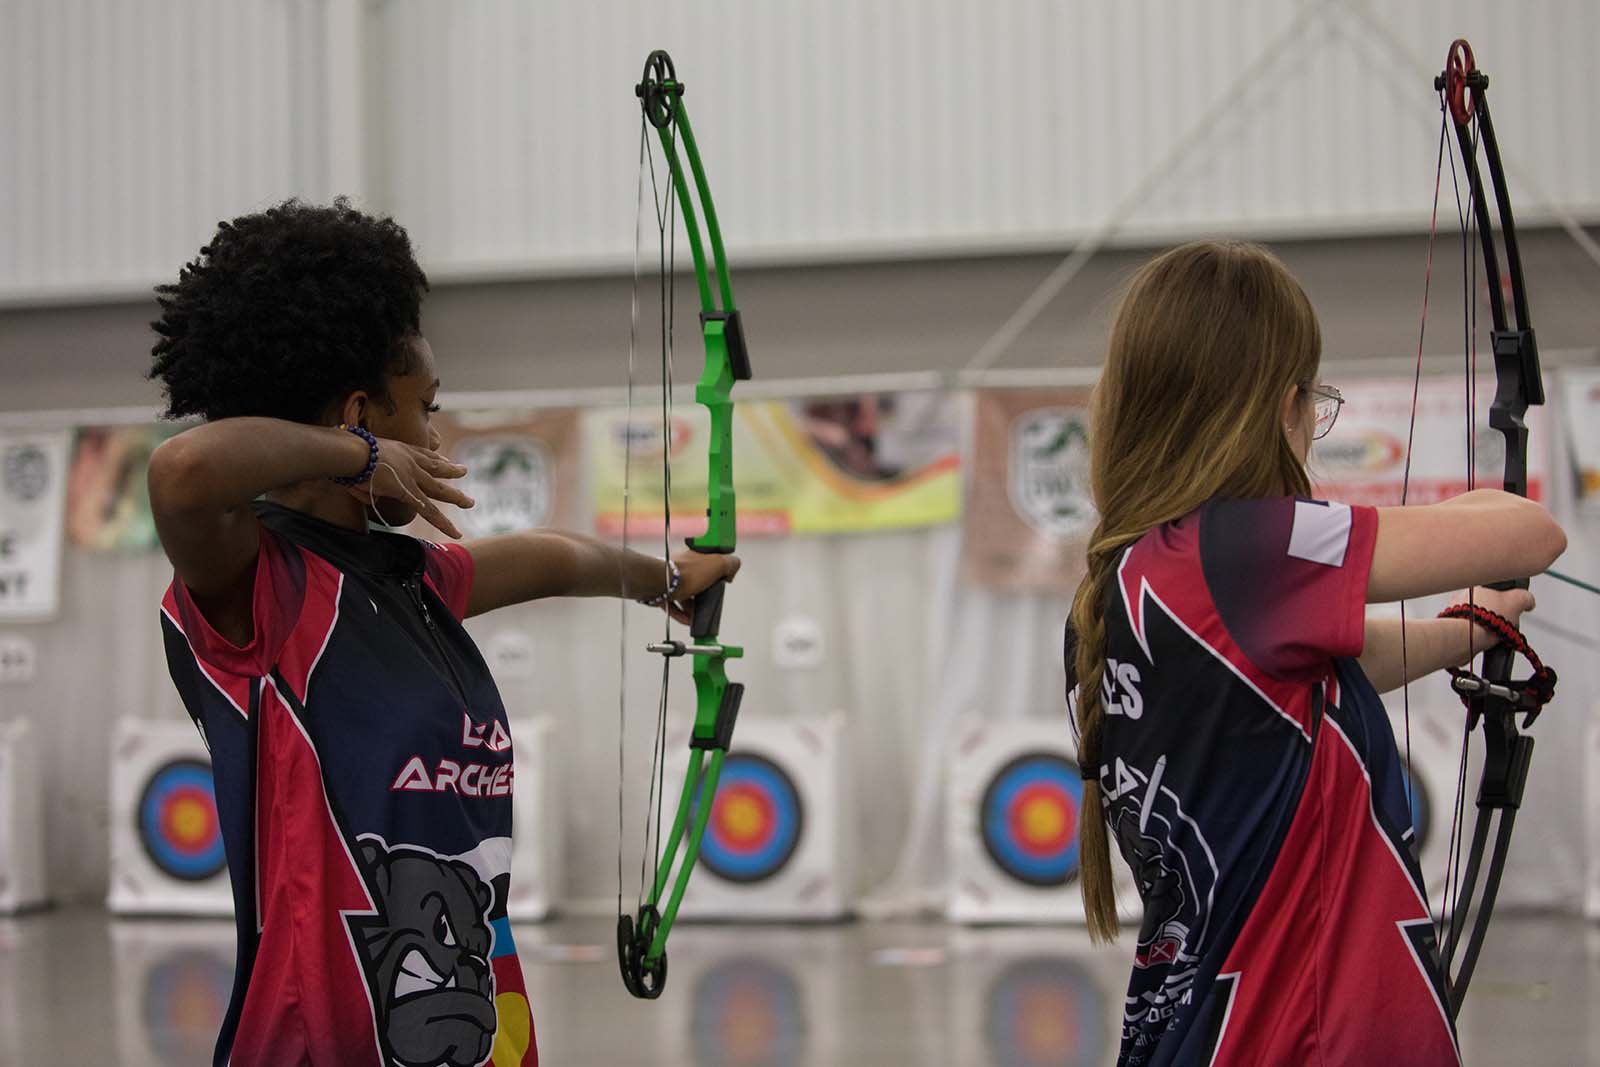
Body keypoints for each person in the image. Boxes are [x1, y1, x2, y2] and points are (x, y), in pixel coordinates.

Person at [147, 199, 738, 1067]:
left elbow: (550, 558)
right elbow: (184, 470)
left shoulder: (414, 580)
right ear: (360, 413)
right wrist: (358, 456)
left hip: (467, 1023)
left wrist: (664, 581)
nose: (435, 434)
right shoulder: (265, 590)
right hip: (323, 1038)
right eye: (423, 408)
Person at [1065, 240, 1566, 1066]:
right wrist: (1482, 534)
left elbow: (1324, 676)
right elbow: (1529, 530)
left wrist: (1471, 628)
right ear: (1281, 404)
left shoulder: (1122, 582)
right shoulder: (1247, 548)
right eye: (1314, 395)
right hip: (1302, 1037)